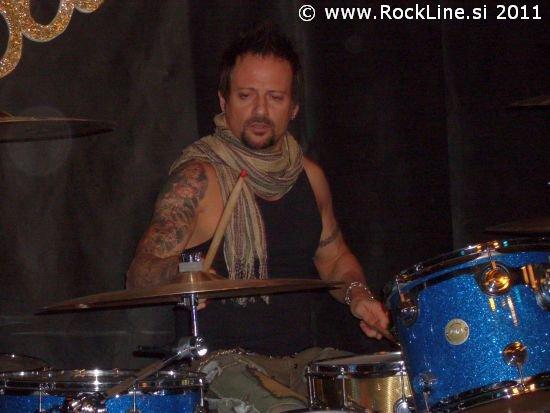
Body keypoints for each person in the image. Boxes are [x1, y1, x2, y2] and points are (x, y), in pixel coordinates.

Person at [127, 24, 389, 413]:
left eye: (275, 97)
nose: (260, 112)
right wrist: (180, 276)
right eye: (246, 96)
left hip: (299, 361)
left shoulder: (310, 177)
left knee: (388, 390)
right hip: (219, 365)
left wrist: (358, 295)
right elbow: (139, 274)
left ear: (294, 107)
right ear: (223, 101)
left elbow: (334, 259)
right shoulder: (198, 178)